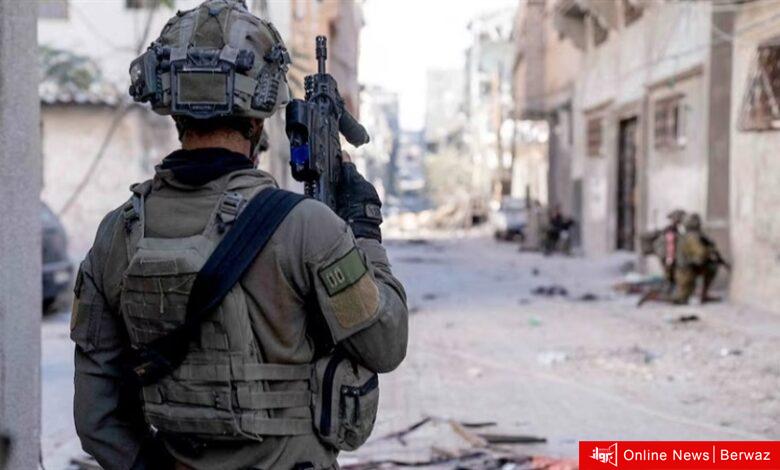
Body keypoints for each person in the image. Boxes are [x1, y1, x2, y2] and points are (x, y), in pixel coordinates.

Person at [70, 2, 408, 469]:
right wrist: (365, 230)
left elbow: (96, 419)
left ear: (173, 109)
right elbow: (386, 343)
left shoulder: (117, 234)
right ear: (259, 116)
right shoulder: (307, 227)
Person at [671, 213, 722, 304]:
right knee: (681, 299)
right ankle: (703, 294)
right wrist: (710, 250)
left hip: (684, 270)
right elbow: (701, 253)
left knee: (683, 297)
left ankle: (703, 295)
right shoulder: (692, 237)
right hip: (686, 271)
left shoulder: (686, 235)